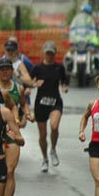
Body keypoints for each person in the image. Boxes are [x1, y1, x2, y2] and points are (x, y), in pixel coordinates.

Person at [0, 59, 33, 196]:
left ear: (12, 71)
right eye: (1, 69)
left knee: (9, 171)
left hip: (11, 133)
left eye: (7, 69)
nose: (4, 72)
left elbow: (23, 105)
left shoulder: (17, 88)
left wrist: (26, 115)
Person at [31, 41, 68, 172]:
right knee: (42, 135)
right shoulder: (37, 68)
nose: (49, 56)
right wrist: (35, 85)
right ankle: (45, 158)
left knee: (54, 126)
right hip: (41, 104)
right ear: (43, 53)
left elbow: (64, 81)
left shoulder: (59, 68)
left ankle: (53, 150)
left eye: (51, 53)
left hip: (55, 102)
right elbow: (30, 82)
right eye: (47, 53)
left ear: (55, 54)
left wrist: (64, 87)